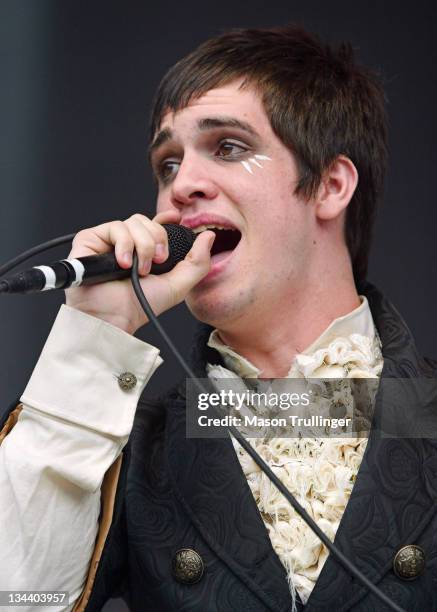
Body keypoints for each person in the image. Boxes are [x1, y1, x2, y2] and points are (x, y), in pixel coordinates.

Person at [1, 24, 436, 612]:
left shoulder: (426, 411)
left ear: (331, 186)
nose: (181, 186)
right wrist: (91, 341)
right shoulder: (132, 446)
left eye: (228, 147)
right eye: (167, 164)